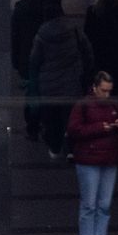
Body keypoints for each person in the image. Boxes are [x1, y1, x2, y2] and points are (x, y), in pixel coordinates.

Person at [66, 70, 118, 235]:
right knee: (90, 203)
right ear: (95, 87)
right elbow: (74, 130)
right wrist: (101, 128)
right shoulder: (83, 105)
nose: (107, 94)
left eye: (109, 91)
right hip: (90, 159)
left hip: (105, 158)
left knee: (103, 203)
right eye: (104, 90)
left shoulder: (110, 104)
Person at [27, 13, 93, 156]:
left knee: (51, 118)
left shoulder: (41, 36)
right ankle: (71, 148)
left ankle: (54, 146)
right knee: (71, 116)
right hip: (71, 81)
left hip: (48, 84)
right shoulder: (74, 30)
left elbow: (34, 61)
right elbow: (87, 51)